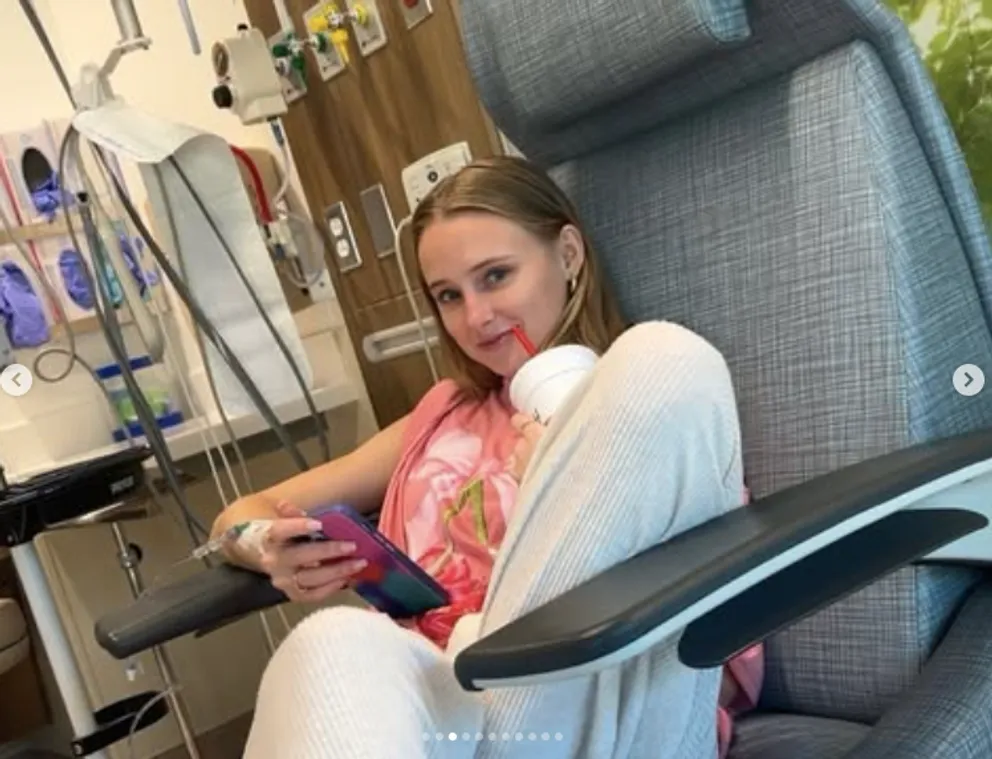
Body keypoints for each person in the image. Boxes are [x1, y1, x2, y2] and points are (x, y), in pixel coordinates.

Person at [212, 156, 761, 758]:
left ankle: (493, 674)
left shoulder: (651, 403)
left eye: (496, 276)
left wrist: (560, 478)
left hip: (610, 714)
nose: (475, 317)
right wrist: (262, 544)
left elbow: (707, 640)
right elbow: (240, 513)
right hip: (450, 715)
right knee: (333, 640)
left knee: (666, 354)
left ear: (568, 255)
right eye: (449, 295)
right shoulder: (443, 414)